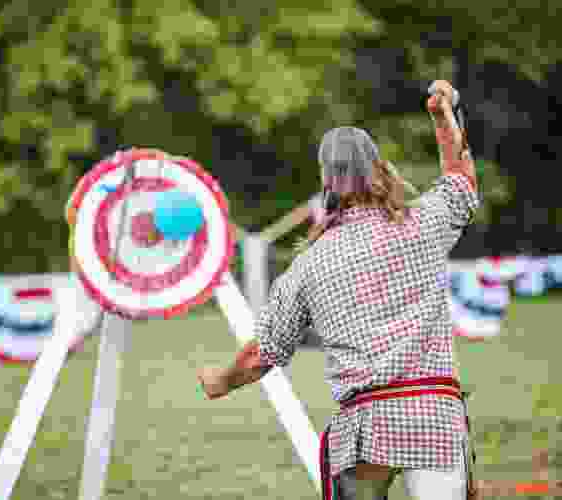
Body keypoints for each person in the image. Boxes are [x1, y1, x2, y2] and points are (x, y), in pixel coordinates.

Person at [197, 80, 480, 500]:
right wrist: (443, 119)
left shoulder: (309, 264)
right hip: (435, 415)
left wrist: (221, 380)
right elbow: (461, 179)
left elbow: (263, 354)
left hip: (365, 428)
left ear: (327, 180)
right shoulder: (425, 224)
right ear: (379, 168)